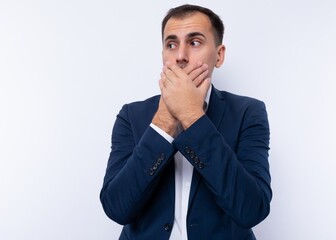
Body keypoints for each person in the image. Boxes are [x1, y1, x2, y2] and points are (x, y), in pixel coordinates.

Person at [100, 4, 272, 240]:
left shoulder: (248, 112)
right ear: (163, 55)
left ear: (219, 55)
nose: (180, 56)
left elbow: (252, 209)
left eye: (194, 42)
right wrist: (164, 122)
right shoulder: (131, 115)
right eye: (171, 44)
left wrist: (192, 116)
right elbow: (117, 208)